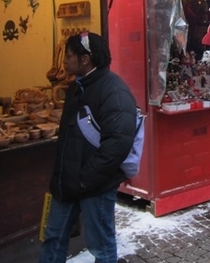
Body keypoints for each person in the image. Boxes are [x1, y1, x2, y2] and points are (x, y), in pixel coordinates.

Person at [39, 32, 138, 263]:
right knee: (52, 238)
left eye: (70, 56)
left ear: (85, 60)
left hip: (94, 185)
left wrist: (86, 178)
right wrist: (62, 176)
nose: (65, 61)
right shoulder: (77, 87)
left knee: (101, 247)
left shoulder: (114, 91)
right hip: (66, 183)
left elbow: (118, 143)